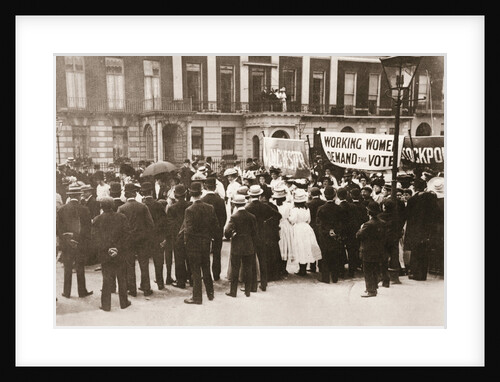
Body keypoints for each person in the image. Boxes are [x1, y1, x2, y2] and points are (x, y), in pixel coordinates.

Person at [91, 197, 131, 311]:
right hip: (120, 252)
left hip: (105, 254)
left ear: (101, 207)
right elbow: (127, 235)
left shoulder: (97, 219)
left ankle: (106, 305)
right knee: (122, 278)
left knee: (106, 279)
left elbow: (95, 239)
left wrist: (107, 249)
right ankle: (124, 302)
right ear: (113, 206)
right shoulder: (122, 217)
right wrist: (117, 248)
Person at [183, 182, 220, 305]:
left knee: (195, 271)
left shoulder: (189, 210)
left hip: (193, 244)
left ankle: (197, 297)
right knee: (206, 267)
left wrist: (186, 242)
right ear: (201, 192)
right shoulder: (209, 208)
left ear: (190, 193)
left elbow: (188, 230)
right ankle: (210, 293)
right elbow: (215, 226)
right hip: (206, 242)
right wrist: (211, 238)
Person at [117, 183, 155, 297]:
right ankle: (146, 288)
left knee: (130, 264)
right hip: (142, 240)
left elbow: (119, 227)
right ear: (135, 193)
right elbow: (150, 224)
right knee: (144, 264)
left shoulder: (122, 208)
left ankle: (132, 290)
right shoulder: (143, 206)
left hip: (128, 240)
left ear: (126, 194)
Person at [56, 185, 93, 298]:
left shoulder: (62, 209)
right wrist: (81, 240)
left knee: (67, 268)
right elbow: (88, 228)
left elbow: (58, 228)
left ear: (69, 196)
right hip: (80, 243)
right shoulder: (85, 209)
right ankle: (82, 291)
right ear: (79, 195)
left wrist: (66, 239)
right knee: (80, 267)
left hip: (67, 243)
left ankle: (66, 292)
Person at [245, 185, 282, 292]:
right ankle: (264, 284)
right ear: (260, 195)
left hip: (252, 236)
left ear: (251, 195)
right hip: (263, 235)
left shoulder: (248, 208)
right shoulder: (264, 207)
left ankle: (253, 286)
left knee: (252, 260)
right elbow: (278, 215)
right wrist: (266, 221)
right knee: (263, 260)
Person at [404, 178, 440, 280]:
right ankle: (422, 274)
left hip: (415, 229)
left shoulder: (412, 200)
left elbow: (407, 214)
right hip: (427, 229)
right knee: (424, 251)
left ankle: (415, 273)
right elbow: (436, 214)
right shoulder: (431, 197)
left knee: (415, 251)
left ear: (415, 187)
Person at [224, 194, 259, 298]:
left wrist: (231, 235)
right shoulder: (251, 216)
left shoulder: (234, 217)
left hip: (237, 245)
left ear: (235, 204)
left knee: (235, 268)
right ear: (244, 203)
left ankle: (233, 292)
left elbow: (227, 231)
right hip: (248, 244)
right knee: (248, 268)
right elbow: (255, 232)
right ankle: (247, 291)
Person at [141, 182, 169, 290]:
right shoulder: (158, 205)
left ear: (142, 193)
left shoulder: (142, 206)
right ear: (151, 192)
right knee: (158, 261)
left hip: (145, 238)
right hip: (157, 237)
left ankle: (144, 285)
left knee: (144, 263)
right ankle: (160, 283)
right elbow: (164, 222)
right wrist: (164, 237)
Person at [288, 188, 322, 276]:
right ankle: (307, 267)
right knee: (307, 247)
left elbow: (293, 220)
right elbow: (309, 220)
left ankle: (302, 269)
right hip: (307, 228)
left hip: (298, 228)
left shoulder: (295, 210)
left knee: (300, 248)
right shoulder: (306, 209)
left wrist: (288, 218)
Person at [316, 186, 346, 283]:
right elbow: (342, 223)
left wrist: (327, 231)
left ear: (325, 196)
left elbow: (319, 223)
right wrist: (335, 231)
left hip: (324, 235)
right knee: (335, 256)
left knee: (325, 256)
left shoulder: (321, 209)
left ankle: (325, 278)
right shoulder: (339, 208)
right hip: (336, 235)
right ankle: (335, 277)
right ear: (334, 196)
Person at [356, 202, 386, 297]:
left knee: (368, 271)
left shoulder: (367, 224)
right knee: (375, 269)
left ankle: (371, 290)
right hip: (378, 250)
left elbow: (358, 235)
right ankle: (374, 287)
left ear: (368, 212)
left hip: (368, 250)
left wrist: (360, 228)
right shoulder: (382, 223)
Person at [166, 184, 192, 289]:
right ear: (185, 194)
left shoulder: (172, 208)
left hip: (178, 236)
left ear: (175, 195)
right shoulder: (190, 205)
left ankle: (180, 281)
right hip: (189, 235)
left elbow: (170, 224)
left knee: (179, 259)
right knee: (189, 258)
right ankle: (191, 279)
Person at [201, 176, 227, 281]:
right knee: (217, 253)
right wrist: (219, 228)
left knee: (205, 253)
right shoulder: (220, 201)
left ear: (205, 186)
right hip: (218, 231)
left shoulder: (202, 200)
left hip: (205, 231)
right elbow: (224, 217)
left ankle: (206, 275)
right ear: (215, 187)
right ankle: (216, 274)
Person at [260, 186, 282, 282]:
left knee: (265, 254)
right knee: (273, 253)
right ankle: (275, 274)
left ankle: (266, 274)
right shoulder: (273, 206)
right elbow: (277, 219)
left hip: (265, 233)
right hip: (272, 233)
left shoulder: (263, 207)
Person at [272, 185, 293, 278]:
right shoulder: (286, 206)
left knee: (282, 247)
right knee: (283, 247)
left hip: (280, 226)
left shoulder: (274, 206)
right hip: (283, 226)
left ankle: (281, 269)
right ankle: (282, 269)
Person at [337, 187, 358, 278]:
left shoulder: (338, 207)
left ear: (338, 196)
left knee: (341, 251)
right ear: (347, 195)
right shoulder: (353, 206)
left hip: (341, 232)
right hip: (351, 232)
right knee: (351, 251)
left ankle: (341, 271)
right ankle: (351, 271)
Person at [306, 187, 326, 273]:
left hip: (312, 226)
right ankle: (321, 266)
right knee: (321, 246)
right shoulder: (324, 203)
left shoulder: (308, 204)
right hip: (321, 226)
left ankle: (313, 266)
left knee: (313, 245)